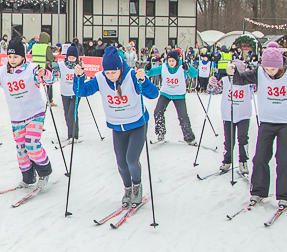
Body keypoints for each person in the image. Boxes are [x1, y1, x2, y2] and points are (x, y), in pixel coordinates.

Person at [228, 42, 287, 209]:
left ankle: (285, 195)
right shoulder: (260, 72)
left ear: (280, 66)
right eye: (267, 68)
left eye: (272, 69)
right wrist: (232, 72)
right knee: (260, 157)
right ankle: (258, 191)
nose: (269, 72)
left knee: (283, 158)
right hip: (267, 121)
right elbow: (241, 79)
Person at [74, 46, 160, 209]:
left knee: (131, 160)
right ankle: (127, 189)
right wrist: (79, 77)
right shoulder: (100, 78)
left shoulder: (132, 76)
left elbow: (153, 94)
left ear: (120, 69)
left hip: (137, 124)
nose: (111, 76)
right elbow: (82, 91)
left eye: (114, 72)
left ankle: (137, 187)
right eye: (108, 72)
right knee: (121, 163)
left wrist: (144, 81)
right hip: (117, 127)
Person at [0, 37, 53, 186]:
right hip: (17, 116)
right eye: (10, 56)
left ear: (23, 56)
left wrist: (45, 73)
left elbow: (49, 80)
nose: (12, 60)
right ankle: (28, 178)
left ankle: (44, 172)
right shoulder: (3, 71)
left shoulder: (32, 69)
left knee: (32, 145)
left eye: (16, 56)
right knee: (21, 149)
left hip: (35, 113)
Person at [207, 67, 253, 175]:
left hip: (243, 114)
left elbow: (257, 86)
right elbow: (213, 90)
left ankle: (243, 161)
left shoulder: (247, 80)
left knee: (243, 138)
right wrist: (211, 83)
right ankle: (227, 161)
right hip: (229, 115)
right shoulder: (225, 80)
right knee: (229, 140)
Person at [146, 50, 198, 144]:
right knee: (158, 112)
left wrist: (189, 67)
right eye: (169, 61)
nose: (171, 63)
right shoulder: (164, 67)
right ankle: (160, 133)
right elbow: (151, 73)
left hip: (179, 95)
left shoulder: (182, 67)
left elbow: (195, 74)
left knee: (183, 116)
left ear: (177, 61)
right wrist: (148, 69)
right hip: (165, 94)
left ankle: (189, 138)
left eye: (173, 61)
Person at [57, 44, 81, 142]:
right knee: (67, 114)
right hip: (65, 93)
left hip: (75, 93)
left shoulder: (78, 66)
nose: (71, 59)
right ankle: (70, 134)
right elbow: (54, 71)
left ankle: (74, 135)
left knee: (72, 113)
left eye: (73, 58)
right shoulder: (62, 64)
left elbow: (83, 76)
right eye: (70, 57)